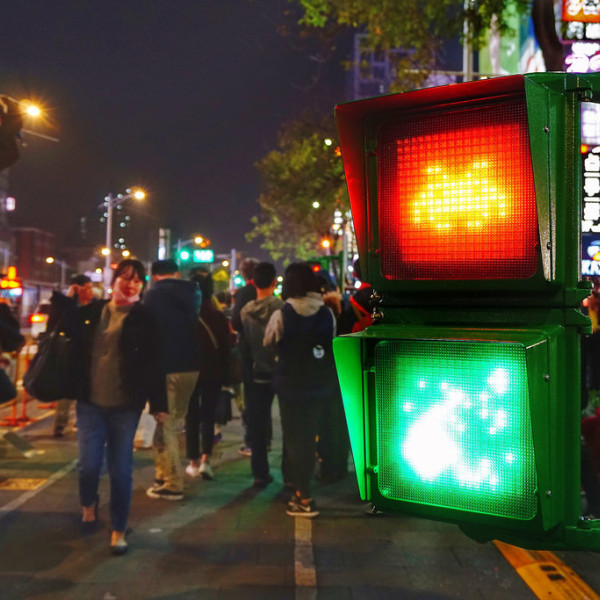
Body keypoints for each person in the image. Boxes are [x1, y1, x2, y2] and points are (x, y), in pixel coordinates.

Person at [49, 259, 167, 556]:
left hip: (125, 407)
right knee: (88, 466)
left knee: (121, 471)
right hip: (90, 403)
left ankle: (118, 529)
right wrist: (68, 301)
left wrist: (159, 404)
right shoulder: (93, 312)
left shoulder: (146, 318)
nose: (131, 285)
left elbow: (155, 362)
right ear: (113, 281)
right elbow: (63, 329)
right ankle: (89, 505)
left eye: (137, 281)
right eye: (125, 278)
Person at [264, 262, 338, 518]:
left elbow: (269, 341)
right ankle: (303, 489)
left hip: (290, 386)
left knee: (295, 439)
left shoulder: (282, 314)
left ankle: (302, 496)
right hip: (319, 385)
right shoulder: (327, 314)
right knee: (310, 435)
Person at [143, 259, 201, 501]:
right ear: (176, 274)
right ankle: (163, 474)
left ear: (154, 275)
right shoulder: (193, 293)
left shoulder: (153, 295)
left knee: (166, 423)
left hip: (165, 367)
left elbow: (148, 333)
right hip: (191, 367)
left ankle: (173, 482)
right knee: (171, 422)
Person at [185, 272, 232, 480]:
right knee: (208, 415)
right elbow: (226, 348)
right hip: (213, 372)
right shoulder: (218, 316)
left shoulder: (185, 315)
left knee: (191, 415)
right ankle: (206, 459)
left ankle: (193, 461)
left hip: (189, 370)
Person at [240, 262, 283, 487]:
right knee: (289, 424)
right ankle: (290, 474)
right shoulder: (282, 308)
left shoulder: (245, 312)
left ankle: (260, 472)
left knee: (257, 424)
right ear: (274, 282)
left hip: (257, 373)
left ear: (254, 283)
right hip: (280, 372)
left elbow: (244, 345)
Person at [53, 274, 96, 438]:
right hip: (69, 356)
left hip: (89, 356)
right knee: (66, 393)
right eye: (88, 287)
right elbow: (59, 321)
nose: (91, 291)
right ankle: (60, 424)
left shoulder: (94, 306)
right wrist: (69, 297)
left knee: (86, 392)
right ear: (78, 289)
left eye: (91, 287)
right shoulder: (68, 306)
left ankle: (83, 423)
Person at [231, 257, 259, 456]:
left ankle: (252, 441)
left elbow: (235, 321)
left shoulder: (244, 293)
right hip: (267, 351)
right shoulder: (267, 294)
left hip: (248, 349)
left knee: (250, 396)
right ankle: (264, 438)